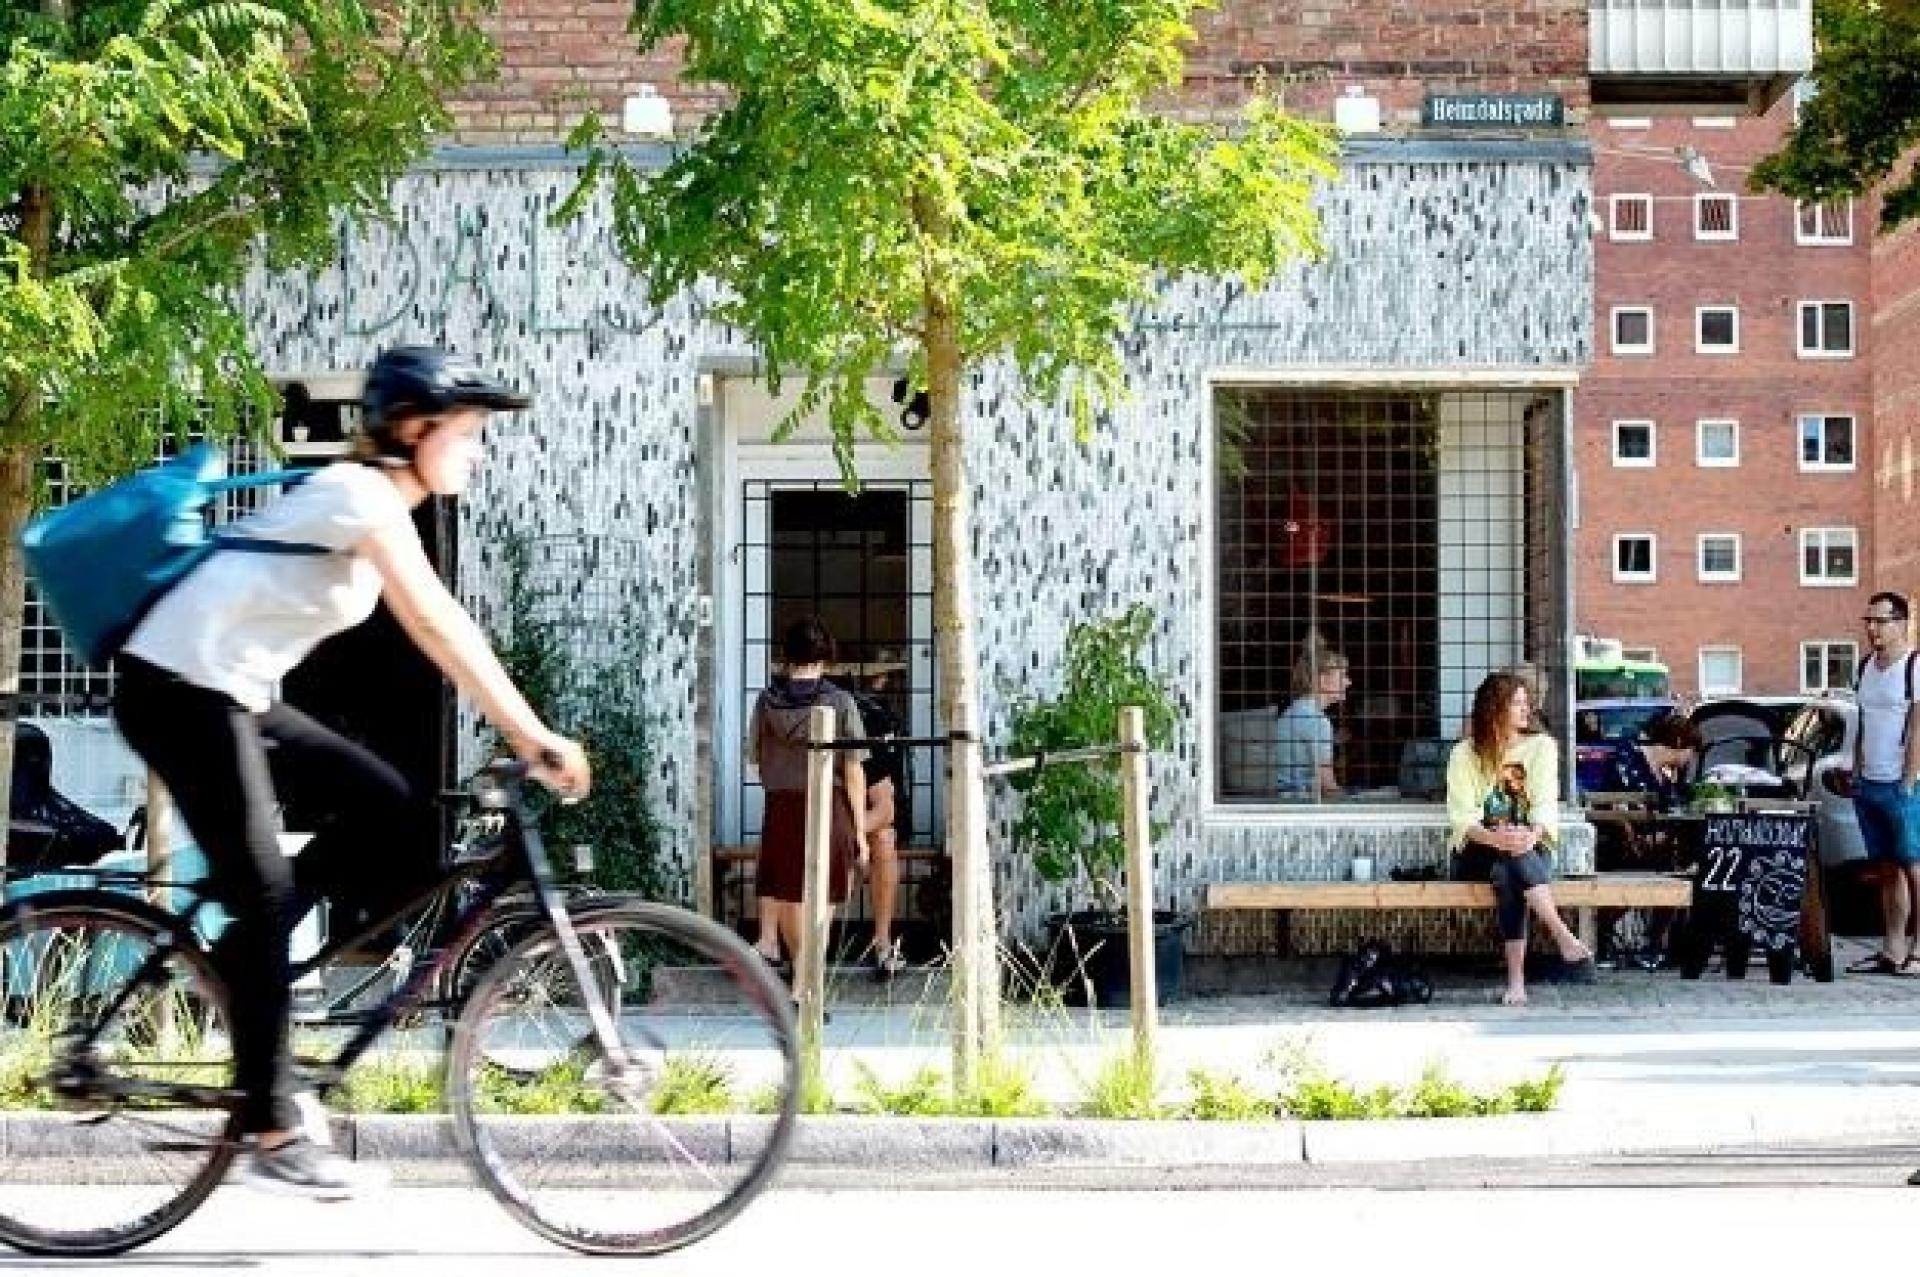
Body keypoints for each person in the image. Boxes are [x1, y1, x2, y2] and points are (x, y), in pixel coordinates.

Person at [112, 346, 592, 1199]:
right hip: (178, 689)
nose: (478, 449)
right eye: (468, 431)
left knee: (390, 807)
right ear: (413, 431)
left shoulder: (377, 505)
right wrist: (534, 736)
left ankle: (238, 963)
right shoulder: (360, 494)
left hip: (232, 692)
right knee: (262, 896)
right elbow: (439, 626)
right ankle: (268, 1127)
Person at [1446, 671, 1595, 1006]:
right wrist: (1494, 838)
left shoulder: (1541, 748)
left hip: (1528, 848)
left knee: (1508, 870)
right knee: (1504, 862)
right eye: (1517, 703)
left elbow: (1545, 805)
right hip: (1477, 849)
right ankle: (1561, 935)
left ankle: (1517, 982)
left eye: (1527, 703)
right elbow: (1462, 818)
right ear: (1494, 708)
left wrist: (1531, 834)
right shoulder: (1464, 755)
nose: (1527, 710)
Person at [746, 617, 871, 979]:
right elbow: (853, 769)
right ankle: (807, 984)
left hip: (780, 804)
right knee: (824, 901)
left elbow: (755, 756)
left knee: (787, 896)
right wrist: (860, 831)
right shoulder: (840, 701)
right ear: (826, 656)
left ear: (786, 656)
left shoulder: (766, 701)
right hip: (828, 805)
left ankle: (799, 980)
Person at [1848, 591, 1920, 978]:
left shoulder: (1913, 666)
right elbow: (1862, 721)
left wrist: (1909, 778)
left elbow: (1919, 727)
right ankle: (1892, 950)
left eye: (1881, 621)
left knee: (1915, 865)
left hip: (1904, 782)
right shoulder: (1865, 668)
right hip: (1870, 781)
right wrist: (1856, 769)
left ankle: (1919, 950)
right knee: (1887, 868)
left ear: (1901, 623)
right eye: (1869, 621)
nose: (1873, 629)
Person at [835, 670, 907, 980]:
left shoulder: (870, 731)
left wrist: (849, 832)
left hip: (858, 821)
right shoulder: (800, 732)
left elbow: (886, 809)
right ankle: (776, 944)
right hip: (820, 821)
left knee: (885, 839)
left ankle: (882, 944)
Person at [1273, 644, 1350, 798]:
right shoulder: (1317, 720)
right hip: (1298, 806)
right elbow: (1328, 786)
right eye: (1342, 676)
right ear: (1323, 680)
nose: (1348, 682)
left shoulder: (1294, 710)